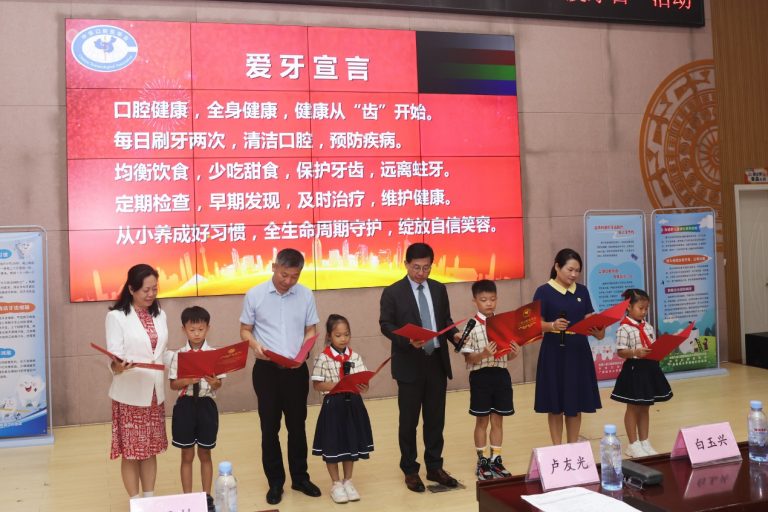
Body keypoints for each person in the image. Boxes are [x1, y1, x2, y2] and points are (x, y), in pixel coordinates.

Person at [239, 248, 321, 505]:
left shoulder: (305, 294)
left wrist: (304, 351)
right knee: (269, 428)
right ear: (274, 267)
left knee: (297, 426)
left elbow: (311, 330)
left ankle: (300, 478)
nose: (288, 281)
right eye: (284, 275)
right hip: (267, 372)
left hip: (296, 371)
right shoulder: (255, 295)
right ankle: (275, 482)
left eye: (294, 276)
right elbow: (245, 330)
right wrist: (255, 346)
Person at [379, 242, 461, 492]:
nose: (421, 273)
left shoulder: (438, 289)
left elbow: (444, 320)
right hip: (409, 363)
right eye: (416, 267)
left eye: (426, 268)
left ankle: (435, 466)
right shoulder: (393, 292)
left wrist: (455, 335)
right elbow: (386, 324)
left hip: (436, 362)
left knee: (435, 420)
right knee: (409, 421)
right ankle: (410, 469)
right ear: (406, 264)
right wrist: (406, 340)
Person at [106, 263, 168, 501]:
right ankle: (135, 502)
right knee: (132, 452)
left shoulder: (160, 314)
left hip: (154, 394)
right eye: (146, 290)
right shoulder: (116, 317)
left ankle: (149, 500)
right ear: (131, 289)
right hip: (130, 395)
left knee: (150, 449)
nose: (151, 294)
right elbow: (114, 356)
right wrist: (118, 366)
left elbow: (161, 353)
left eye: (155, 289)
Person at [533, 248, 605, 445]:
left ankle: (573, 446)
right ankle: (557, 448)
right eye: (570, 270)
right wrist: (552, 325)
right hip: (554, 352)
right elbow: (534, 324)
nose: (574, 274)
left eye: (577, 271)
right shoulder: (543, 291)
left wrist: (599, 329)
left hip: (578, 351)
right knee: (555, 405)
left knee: (575, 403)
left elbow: (590, 320)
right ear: (557, 267)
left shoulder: (582, 291)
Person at [311, 314, 374, 504]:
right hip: (333, 406)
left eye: (346, 334)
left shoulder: (355, 356)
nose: (343, 339)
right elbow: (317, 384)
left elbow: (364, 383)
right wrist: (339, 385)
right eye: (338, 335)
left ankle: (348, 481)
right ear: (329, 336)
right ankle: (336, 484)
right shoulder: (323, 357)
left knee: (350, 443)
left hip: (353, 405)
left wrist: (363, 385)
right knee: (333, 444)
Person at [460, 279, 519, 480]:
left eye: (492, 299)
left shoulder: (504, 324)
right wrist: (483, 354)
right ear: (475, 301)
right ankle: (482, 461)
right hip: (481, 377)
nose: (489, 303)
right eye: (484, 299)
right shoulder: (471, 326)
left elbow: (508, 356)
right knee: (482, 420)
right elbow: (468, 358)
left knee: (498, 420)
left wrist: (514, 352)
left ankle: (496, 460)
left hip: (501, 376)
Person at [168, 306, 224, 512]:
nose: (197, 334)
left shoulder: (214, 354)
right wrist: (187, 380)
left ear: (208, 328)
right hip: (185, 406)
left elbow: (218, 384)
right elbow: (173, 385)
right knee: (187, 455)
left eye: (201, 329)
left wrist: (214, 382)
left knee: (205, 453)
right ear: (184, 329)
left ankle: (206, 497)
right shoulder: (178, 355)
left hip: (206, 405)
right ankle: (188, 499)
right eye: (192, 330)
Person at [610, 288, 673, 458]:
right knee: (633, 407)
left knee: (645, 406)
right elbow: (621, 352)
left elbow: (652, 346)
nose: (644, 312)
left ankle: (644, 441)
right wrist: (635, 352)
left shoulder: (648, 327)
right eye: (640, 308)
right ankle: (633, 444)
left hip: (649, 368)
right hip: (634, 370)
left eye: (646, 308)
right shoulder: (624, 328)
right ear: (629, 306)